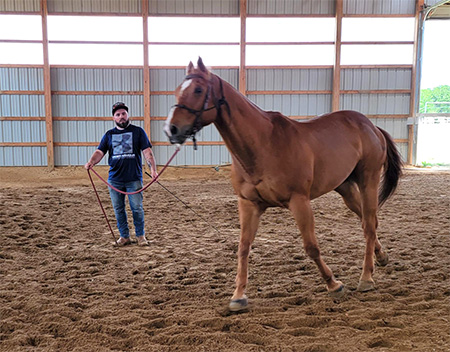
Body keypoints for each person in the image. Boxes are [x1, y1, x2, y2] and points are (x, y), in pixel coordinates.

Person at [85, 102, 158, 246]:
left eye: (123, 113)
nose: (121, 117)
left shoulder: (138, 132)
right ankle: (124, 236)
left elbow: (147, 152)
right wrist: (91, 162)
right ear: (114, 118)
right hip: (115, 179)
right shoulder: (109, 135)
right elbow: (100, 151)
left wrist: (153, 170)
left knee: (136, 208)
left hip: (134, 179)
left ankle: (140, 236)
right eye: (118, 115)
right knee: (118, 209)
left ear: (128, 115)